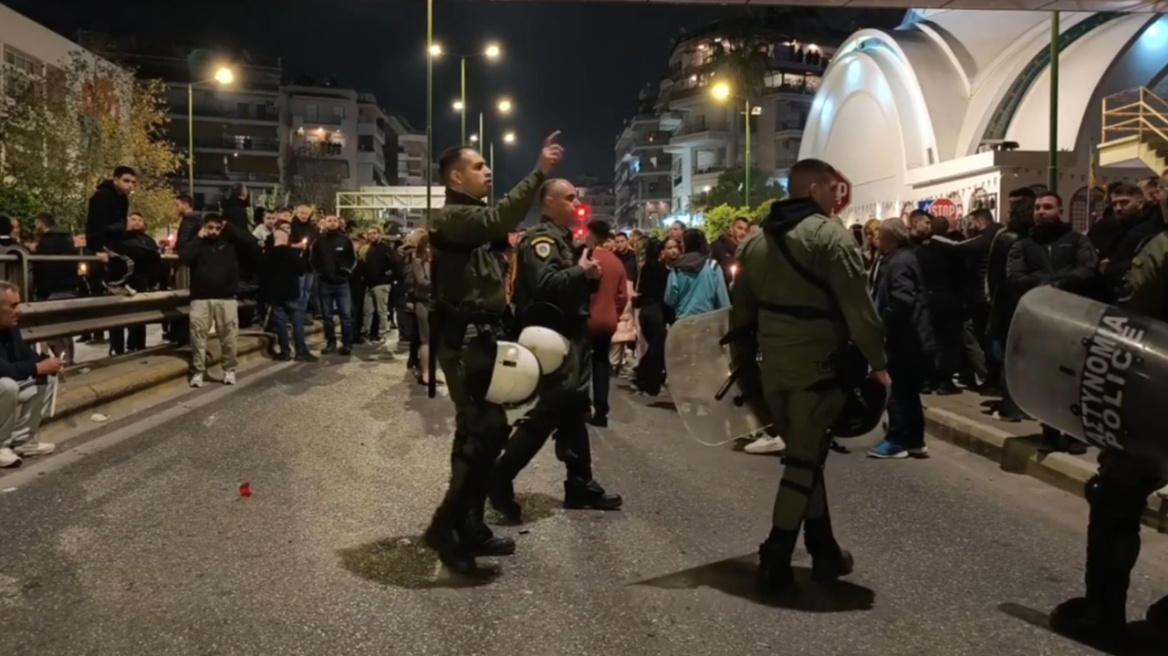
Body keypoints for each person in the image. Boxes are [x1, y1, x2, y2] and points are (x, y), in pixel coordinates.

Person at [729, 158, 888, 597]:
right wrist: (878, 364)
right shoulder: (829, 236)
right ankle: (775, 557)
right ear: (816, 188)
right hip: (818, 370)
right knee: (802, 461)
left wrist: (744, 373)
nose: (838, 198)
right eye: (834, 190)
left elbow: (740, 319)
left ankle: (824, 549)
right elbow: (860, 309)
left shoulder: (755, 243)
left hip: (771, 370)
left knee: (807, 453)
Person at [424, 131, 563, 577]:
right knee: (484, 431)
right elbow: (501, 218)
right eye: (479, 166)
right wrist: (539, 171)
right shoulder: (451, 217)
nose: (488, 171)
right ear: (455, 176)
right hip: (464, 340)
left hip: (481, 337)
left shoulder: (471, 218)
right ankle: (446, 527)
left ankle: (470, 525)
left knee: (477, 434)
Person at [1048, 226, 1168, 642]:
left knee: (1115, 494)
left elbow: (1131, 317)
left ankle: (1102, 613)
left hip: (1161, 389)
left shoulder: (1164, 246)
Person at [488, 180, 622, 524]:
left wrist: (586, 274)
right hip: (553, 337)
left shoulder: (563, 238)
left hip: (572, 334)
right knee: (551, 410)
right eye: (569, 197)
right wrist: (582, 271)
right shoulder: (542, 240)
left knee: (575, 408)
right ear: (548, 202)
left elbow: (568, 284)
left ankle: (580, 483)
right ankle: (500, 476)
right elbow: (546, 285)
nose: (576, 201)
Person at [178, 214, 261, 387]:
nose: (214, 231)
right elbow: (185, 257)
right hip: (201, 297)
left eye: (217, 228)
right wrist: (198, 239)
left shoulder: (230, 243)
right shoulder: (199, 243)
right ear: (204, 227)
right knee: (198, 336)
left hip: (226, 297)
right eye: (210, 228)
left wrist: (229, 226)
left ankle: (229, 369)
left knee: (229, 336)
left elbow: (252, 243)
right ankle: (198, 371)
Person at [0, 281, 61, 468]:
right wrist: (37, 367)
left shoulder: (10, 327)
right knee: (7, 385)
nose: (19, 310)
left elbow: (26, 355)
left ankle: (22, 441)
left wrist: (50, 364)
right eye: (12, 305)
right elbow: (4, 370)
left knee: (47, 377)